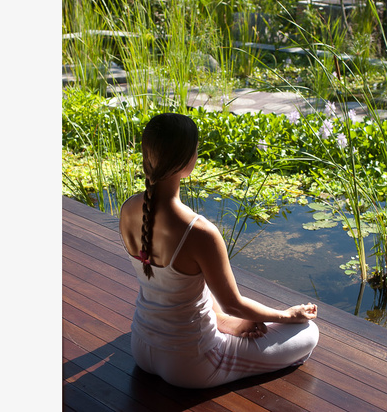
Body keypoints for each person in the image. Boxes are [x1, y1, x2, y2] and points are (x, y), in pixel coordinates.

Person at [118, 112, 319, 389]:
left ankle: (225, 325)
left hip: (141, 346)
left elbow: (184, 287)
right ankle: (229, 330)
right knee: (309, 333)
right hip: (192, 362)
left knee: (199, 287)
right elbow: (233, 304)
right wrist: (288, 315)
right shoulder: (199, 231)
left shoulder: (128, 209)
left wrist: (231, 320)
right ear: (188, 160)